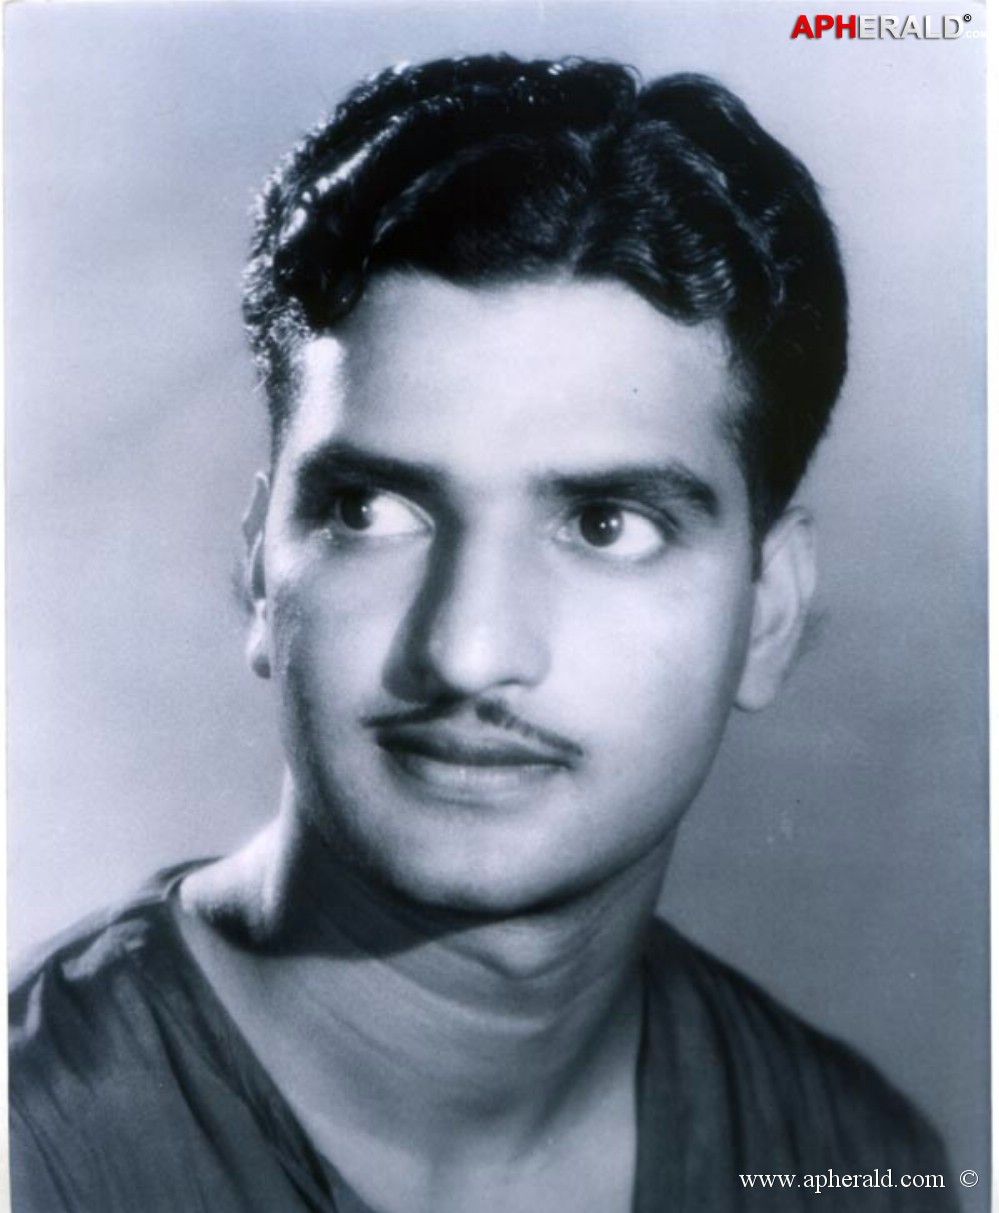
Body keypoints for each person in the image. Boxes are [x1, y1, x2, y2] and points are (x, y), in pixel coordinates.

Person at [9, 54, 957, 1212]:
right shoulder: (32, 1144)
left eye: (605, 524)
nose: (466, 651)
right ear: (260, 565)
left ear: (770, 609)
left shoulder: (855, 1164)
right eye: (371, 510)